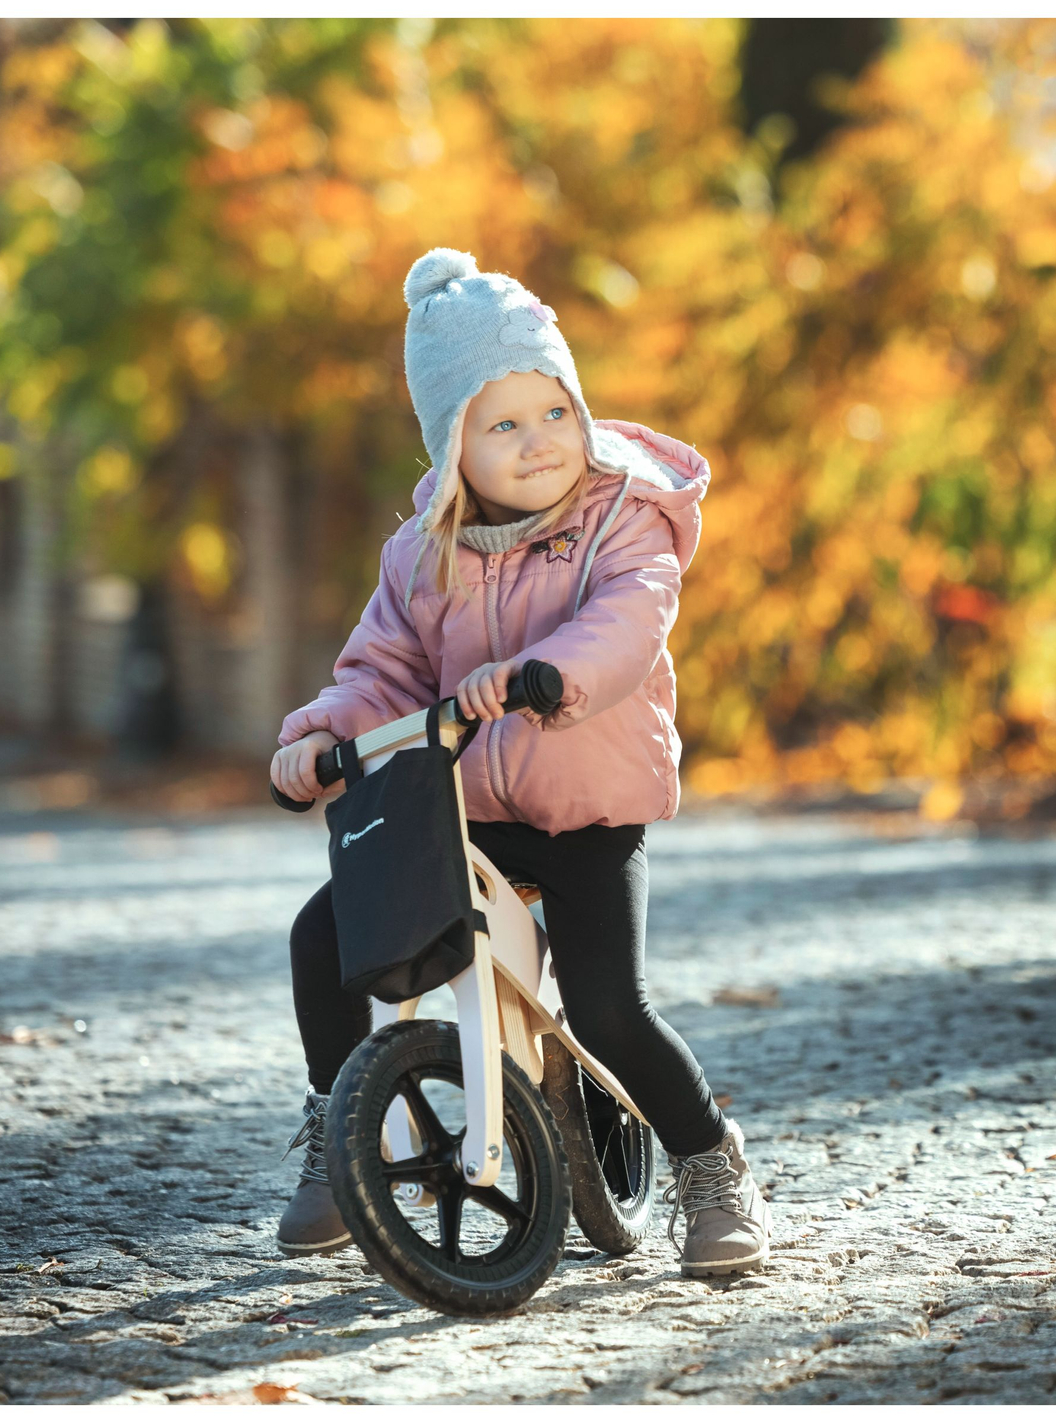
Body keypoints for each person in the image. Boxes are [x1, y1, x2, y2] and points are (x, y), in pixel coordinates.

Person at [270, 247, 770, 1278]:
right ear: (455, 443)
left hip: (590, 806)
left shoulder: (625, 521)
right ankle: (334, 1127)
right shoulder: (421, 555)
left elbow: (630, 624)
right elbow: (384, 671)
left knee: (608, 1007)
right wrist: (317, 740)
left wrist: (545, 673)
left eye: (554, 411)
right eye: (502, 424)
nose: (539, 441)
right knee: (326, 932)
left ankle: (711, 1166)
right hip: (464, 808)